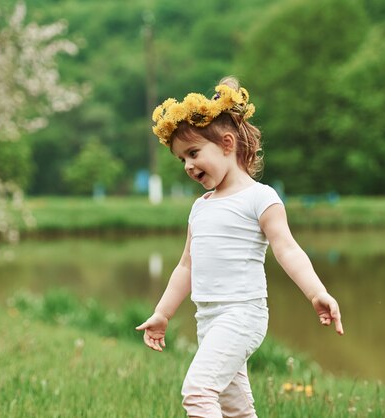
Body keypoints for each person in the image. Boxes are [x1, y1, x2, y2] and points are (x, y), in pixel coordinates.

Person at [135, 76, 344, 418]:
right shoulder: (200, 207)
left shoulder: (260, 199)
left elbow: (287, 249)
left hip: (242, 314)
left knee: (198, 392)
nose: (187, 165)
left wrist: (316, 292)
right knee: (235, 409)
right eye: (181, 159)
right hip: (209, 319)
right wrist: (162, 313)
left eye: (193, 153)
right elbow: (186, 266)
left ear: (228, 144)